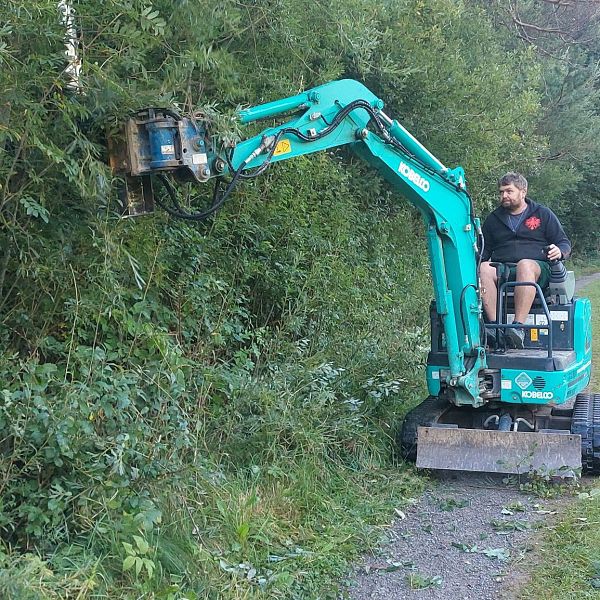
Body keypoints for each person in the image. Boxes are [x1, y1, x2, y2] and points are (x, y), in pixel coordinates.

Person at [479, 172, 571, 349]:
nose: (504, 195)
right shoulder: (493, 219)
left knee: (525, 264)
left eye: (509, 191)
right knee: (484, 268)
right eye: (501, 192)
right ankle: (495, 328)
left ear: (523, 191)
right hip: (504, 268)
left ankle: (517, 327)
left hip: (538, 268)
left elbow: (563, 242)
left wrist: (559, 251)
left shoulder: (542, 214)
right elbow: (484, 251)